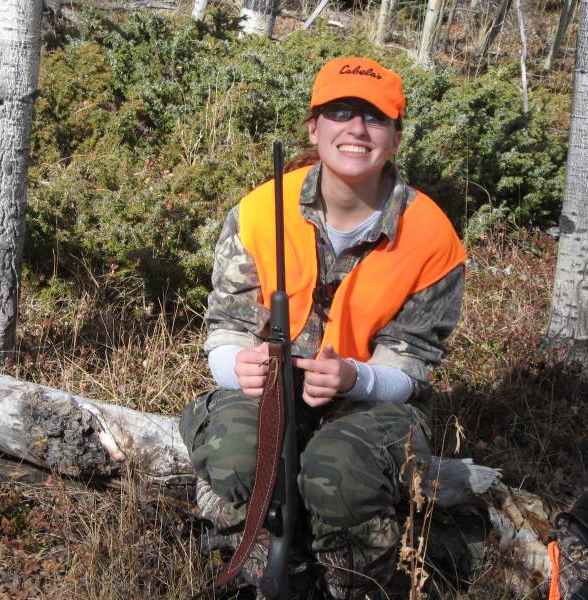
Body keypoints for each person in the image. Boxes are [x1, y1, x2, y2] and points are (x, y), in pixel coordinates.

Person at [180, 56, 467, 599]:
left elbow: (412, 362)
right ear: (314, 127)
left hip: (372, 405)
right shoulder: (260, 211)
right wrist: (237, 365)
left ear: (396, 137)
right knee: (236, 455)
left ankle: (351, 582)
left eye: (375, 118)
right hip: (269, 391)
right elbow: (227, 324)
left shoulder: (432, 237)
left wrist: (354, 379)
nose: (356, 130)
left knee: (337, 471)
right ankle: (252, 562)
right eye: (340, 112)